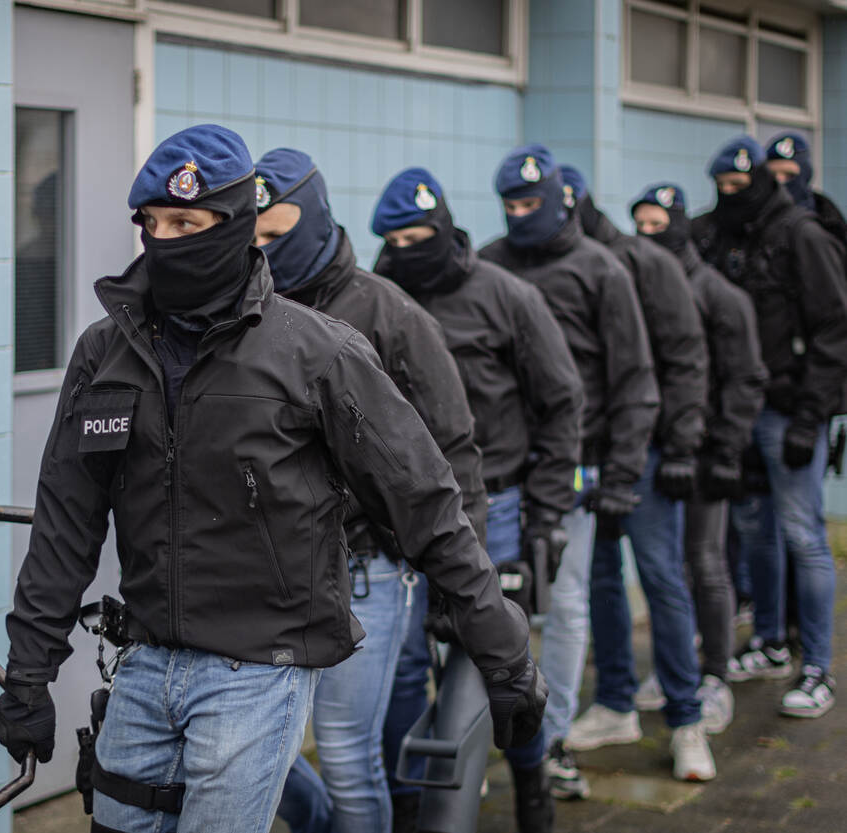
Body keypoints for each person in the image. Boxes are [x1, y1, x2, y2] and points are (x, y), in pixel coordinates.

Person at [0, 124, 545, 833]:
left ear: (237, 229)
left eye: (186, 223)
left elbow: (428, 505)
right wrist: (28, 671)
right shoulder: (105, 351)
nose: (164, 239)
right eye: (151, 224)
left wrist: (502, 652)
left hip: (257, 671)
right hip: (143, 665)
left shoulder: (317, 353)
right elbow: (65, 522)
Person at [250, 148, 486, 833]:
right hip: (267, 563)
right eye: (253, 235)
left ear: (316, 215)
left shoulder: (388, 311)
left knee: (350, 753)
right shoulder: (243, 309)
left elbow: (452, 445)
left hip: (367, 570)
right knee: (251, 747)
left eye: (278, 232)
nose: (263, 249)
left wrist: (455, 574)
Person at [370, 167, 583, 833]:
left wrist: (549, 511)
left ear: (446, 226)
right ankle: (410, 805)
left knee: (498, 664)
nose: (409, 247)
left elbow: (562, 401)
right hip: (397, 517)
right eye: (395, 238)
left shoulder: (506, 295)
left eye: (420, 234)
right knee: (402, 671)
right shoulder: (374, 302)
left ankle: (530, 778)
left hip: (499, 509)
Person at [479, 144, 660, 799]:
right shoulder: (490, 265)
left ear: (560, 198)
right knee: (483, 608)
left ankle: (549, 740)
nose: (522, 215)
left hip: (577, 469)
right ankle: (476, 740)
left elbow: (635, 378)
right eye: (512, 206)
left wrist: (621, 472)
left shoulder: (601, 270)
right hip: (498, 470)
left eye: (533, 203)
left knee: (561, 604)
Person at [557, 167, 716, 782]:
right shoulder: (549, 267)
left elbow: (684, 357)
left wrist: (681, 444)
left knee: (660, 579)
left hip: (647, 452)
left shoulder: (644, 262)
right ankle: (617, 702)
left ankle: (686, 719)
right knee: (598, 581)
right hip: (585, 457)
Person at [692, 136, 847, 718]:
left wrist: (812, 415)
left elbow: (835, 331)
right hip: (738, 410)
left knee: (803, 533)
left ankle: (817, 668)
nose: (731, 197)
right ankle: (770, 642)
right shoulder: (721, 234)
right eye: (722, 188)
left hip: (788, 410)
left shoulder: (801, 235)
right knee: (755, 531)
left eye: (741, 186)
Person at [628, 182, 768, 735]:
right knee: (667, 570)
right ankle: (674, 668)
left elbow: (745, 377)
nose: (646, 234)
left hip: (706, 452)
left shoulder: (718, 294)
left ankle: (714, 674)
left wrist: (726, 449)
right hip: (656, 448)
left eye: (658, 224)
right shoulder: (634, 287)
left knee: (705, 562)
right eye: (638, 222)